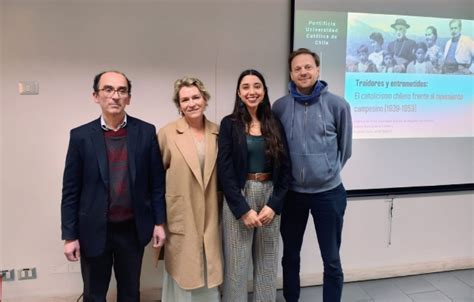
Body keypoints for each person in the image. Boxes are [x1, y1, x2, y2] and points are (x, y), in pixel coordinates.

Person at [61, 70, 166, 301]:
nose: (115, 96)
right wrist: (70, 236)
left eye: (121, 90)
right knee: (94, 293)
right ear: (95, 96)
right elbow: (70, 190)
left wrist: (159, 222)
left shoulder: (146, 132)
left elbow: (156, 183)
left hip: (132, 229)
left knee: (130, 293)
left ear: (129, 97)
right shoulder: (80, 136)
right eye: (108, 89)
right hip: (93, 229)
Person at [273, 48, 352, 302]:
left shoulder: (338, 104)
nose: (303, 72)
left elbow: (346, 148)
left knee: (331, 259)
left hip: (328, 195)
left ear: (317, 70)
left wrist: (327, 172)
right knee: (291, 257)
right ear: (291, 73)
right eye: (297, 68)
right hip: (293, 195)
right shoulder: (280, 106)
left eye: (308, 67)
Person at [217, 69, 290, 302]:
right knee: (236, 267)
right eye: (246, 87)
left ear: (264, 91)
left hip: (269, 196)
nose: (252, 91)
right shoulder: (229, 124)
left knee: (267, 264)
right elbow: (225, 171)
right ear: (238, 92)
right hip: (240, 196)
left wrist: (274, 205)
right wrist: (242, 210)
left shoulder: (275, 123)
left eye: (257, 86)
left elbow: (286, 169)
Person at [158, 77, 223, 301]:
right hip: (181, 213)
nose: (191, 103)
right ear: (179, 105)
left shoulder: (218, 133)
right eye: (184, 99)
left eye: (196, 97)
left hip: (211, 213)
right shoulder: (167, 134)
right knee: (183, 272)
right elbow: (156, 178)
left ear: (205, 99)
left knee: (208, 270)